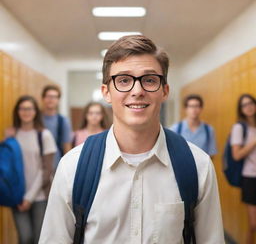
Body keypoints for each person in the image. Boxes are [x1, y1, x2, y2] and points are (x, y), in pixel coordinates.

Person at [39, 35, 225, 243]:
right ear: (106, 92)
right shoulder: (72, 167)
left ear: (164, 91)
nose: (137, 91)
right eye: (124, 80)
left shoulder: (197, 166)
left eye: (150, 80)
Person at [5, 95, 56, 244]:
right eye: (22, 108)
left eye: (29, 108)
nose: (25, 112)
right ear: (17, 111)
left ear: (35, 112)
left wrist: (29, 197)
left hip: (39, 196)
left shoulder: (44, 135)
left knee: (38, 238)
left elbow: (46, 170)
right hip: (17, 195)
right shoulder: (12, 135)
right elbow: (8, 167)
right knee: (24, 237)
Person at [230, 94, 256, 244]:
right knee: (253, 225)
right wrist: (253, 142)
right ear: (241, 109)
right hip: (250, 178)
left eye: (251, 103)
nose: (249, 107)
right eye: (244, 105)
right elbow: (236, 155)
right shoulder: (239, 127)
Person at [41, 85, 72, 169]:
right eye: (48, 96)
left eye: (54, 97)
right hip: (36, 166)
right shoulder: (35, 119)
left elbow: (67, 147)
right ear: (43, 98)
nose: (51, 99)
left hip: (56, 167)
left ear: (58, 100)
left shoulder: (63, 121)